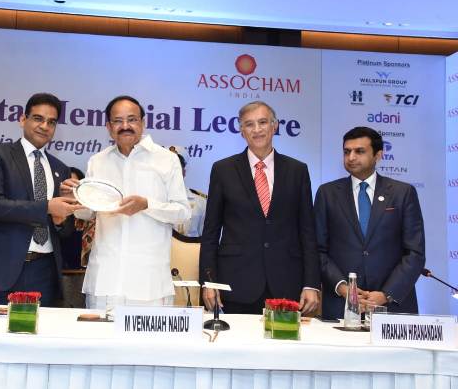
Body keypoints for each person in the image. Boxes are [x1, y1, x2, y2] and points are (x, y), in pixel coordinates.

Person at [64, 95, 191, 308]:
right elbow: (88, 212)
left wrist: (147, 205)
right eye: (118, 121)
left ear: (143, 122)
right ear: (108, 127)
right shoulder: (98, 161)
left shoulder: (166, 159)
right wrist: (75, 199)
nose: (125, 126)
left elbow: (182, 212)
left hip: (149, 283)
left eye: (132, 119)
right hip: (105, 280)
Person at [199, 100, 320, 315]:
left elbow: (308, 232)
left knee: (283, 338)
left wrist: (311, 283)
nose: (257, 129)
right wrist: (208, 282)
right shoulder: (223, 170)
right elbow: (210, 233)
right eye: (249, 124)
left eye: (263, 122)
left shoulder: (298, 170)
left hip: (286, 283)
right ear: (241, 131)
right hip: (236, 283)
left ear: (275, 126)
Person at [0, 93, 82, 306]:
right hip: (1, 269)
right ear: (23, 119)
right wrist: (47, 207)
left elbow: (65, 231)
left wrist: (60, 219)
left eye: (51, 122)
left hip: (45, 270)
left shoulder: (60, 168)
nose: (44, 126)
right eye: (38, 118)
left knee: (40, 328)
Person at [315, 126, 425, 319]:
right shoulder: (327, 193)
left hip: (393, 306)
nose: (351, 157)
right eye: (347, 151)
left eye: (359, 151)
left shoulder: (402, 193)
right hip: (342, 305)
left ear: (378, 155)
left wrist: (385, 294)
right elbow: (318, 249)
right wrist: (343, 288)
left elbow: (414, 252)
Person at [173, 151, 207, 239]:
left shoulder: (201, 202)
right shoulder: (151, 200)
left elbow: (205, 238)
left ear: (184, 172)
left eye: (175, 168)